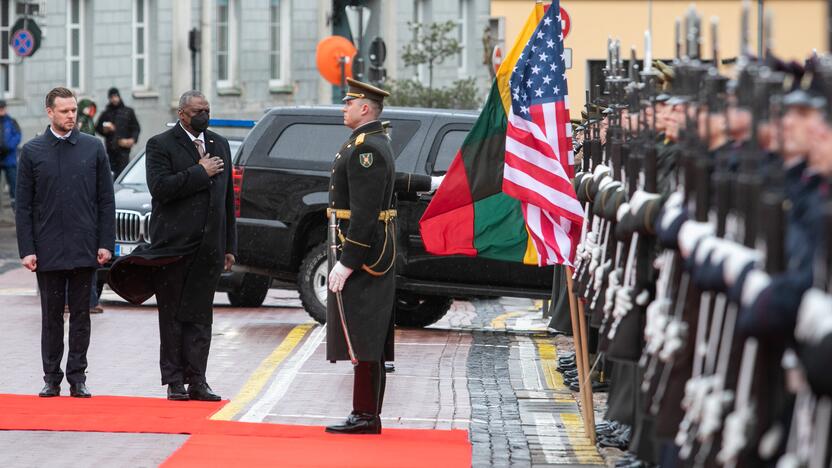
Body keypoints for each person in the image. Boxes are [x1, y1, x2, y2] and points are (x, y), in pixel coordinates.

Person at [107, 90, 235, 402]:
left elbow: (227, 199)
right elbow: (161, 189)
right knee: (174, 316)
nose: (204, 114)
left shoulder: (219, 143)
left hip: (209, 248)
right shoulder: (160, 145)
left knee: (201, 317)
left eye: (207, 109)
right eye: (197, 110)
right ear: (182, 114)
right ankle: (174, 380)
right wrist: (199, 172)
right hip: (173, 247)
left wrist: (229, 245)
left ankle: (198, 380)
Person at [15, 87, 115, 398]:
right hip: (48, 249)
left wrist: (105, 243)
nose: (71, 116)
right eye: (65, 111)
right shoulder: (32, 152)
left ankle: (78, 377)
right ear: (50, 113)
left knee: (82, 316)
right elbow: (24, 206)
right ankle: (51, 377)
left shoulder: (93, 148)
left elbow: (105, 200)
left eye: (73, 110)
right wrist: (27, 249)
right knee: (51, 317)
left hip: (85, 246)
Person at [325, 78, 397, 435]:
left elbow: (366, 212)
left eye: (348, 103)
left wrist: (348, 260)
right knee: (367, 330)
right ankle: (366, 412)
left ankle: (365, 414)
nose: (344, 108)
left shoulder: (367, 148)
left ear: (364, 108)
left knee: (364, 331)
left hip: (366, 253)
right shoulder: (367, 142)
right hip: (368, 247)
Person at [77, 97, 105, 314]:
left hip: (87, 219)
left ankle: (91, 301)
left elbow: (104, 197)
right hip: (78, 218)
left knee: (88, 264)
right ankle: (87, 301)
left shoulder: (92, 146)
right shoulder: (82, 124)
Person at [95, 87, 140, 178]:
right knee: (111, 174)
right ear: (109, 99)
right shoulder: (106, 113)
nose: (114, 99)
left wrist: (132, 140)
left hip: (124, 149)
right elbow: (98, 127)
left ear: (119, 97)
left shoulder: (128, 111)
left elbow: (136, 128)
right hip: (111, 149)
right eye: (112, 97)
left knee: (124, 173)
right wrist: (105, 130)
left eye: (116, 96)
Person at [0, 99, 21, 205]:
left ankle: (15, 207)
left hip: (10, 158)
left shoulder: (12, 121)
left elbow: (17, 135)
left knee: (14, 184)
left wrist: (9, 146)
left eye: (3, 108)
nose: (1, 110)